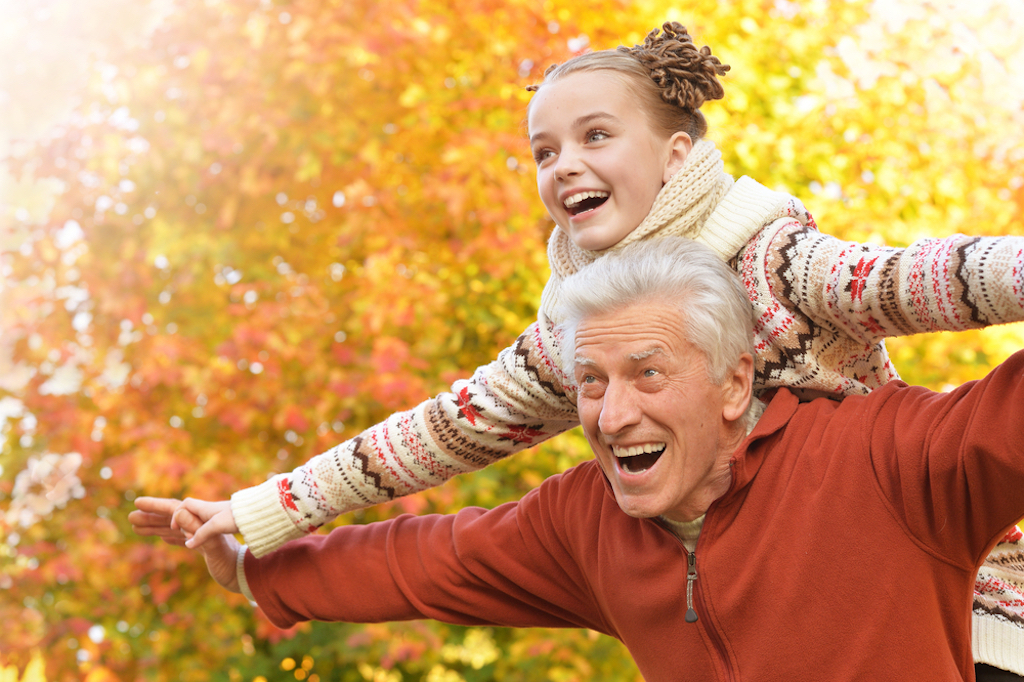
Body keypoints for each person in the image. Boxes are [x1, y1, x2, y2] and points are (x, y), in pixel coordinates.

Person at [131, 22, 1024, 676]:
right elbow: (431, 445)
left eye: (597, 136)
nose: (564, 166)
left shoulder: (774, 260)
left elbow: (931, 278)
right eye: (543, 150)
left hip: (935, 589)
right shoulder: (574, 344)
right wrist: (262, 517)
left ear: (678, 155)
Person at [140, 237, 1024, 680]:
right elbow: (426, 561)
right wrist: (257, 571)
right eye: (591, 382)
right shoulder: (584, 524)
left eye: (648, 373)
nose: (612, 412)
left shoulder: (883, 458)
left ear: (732, 381)